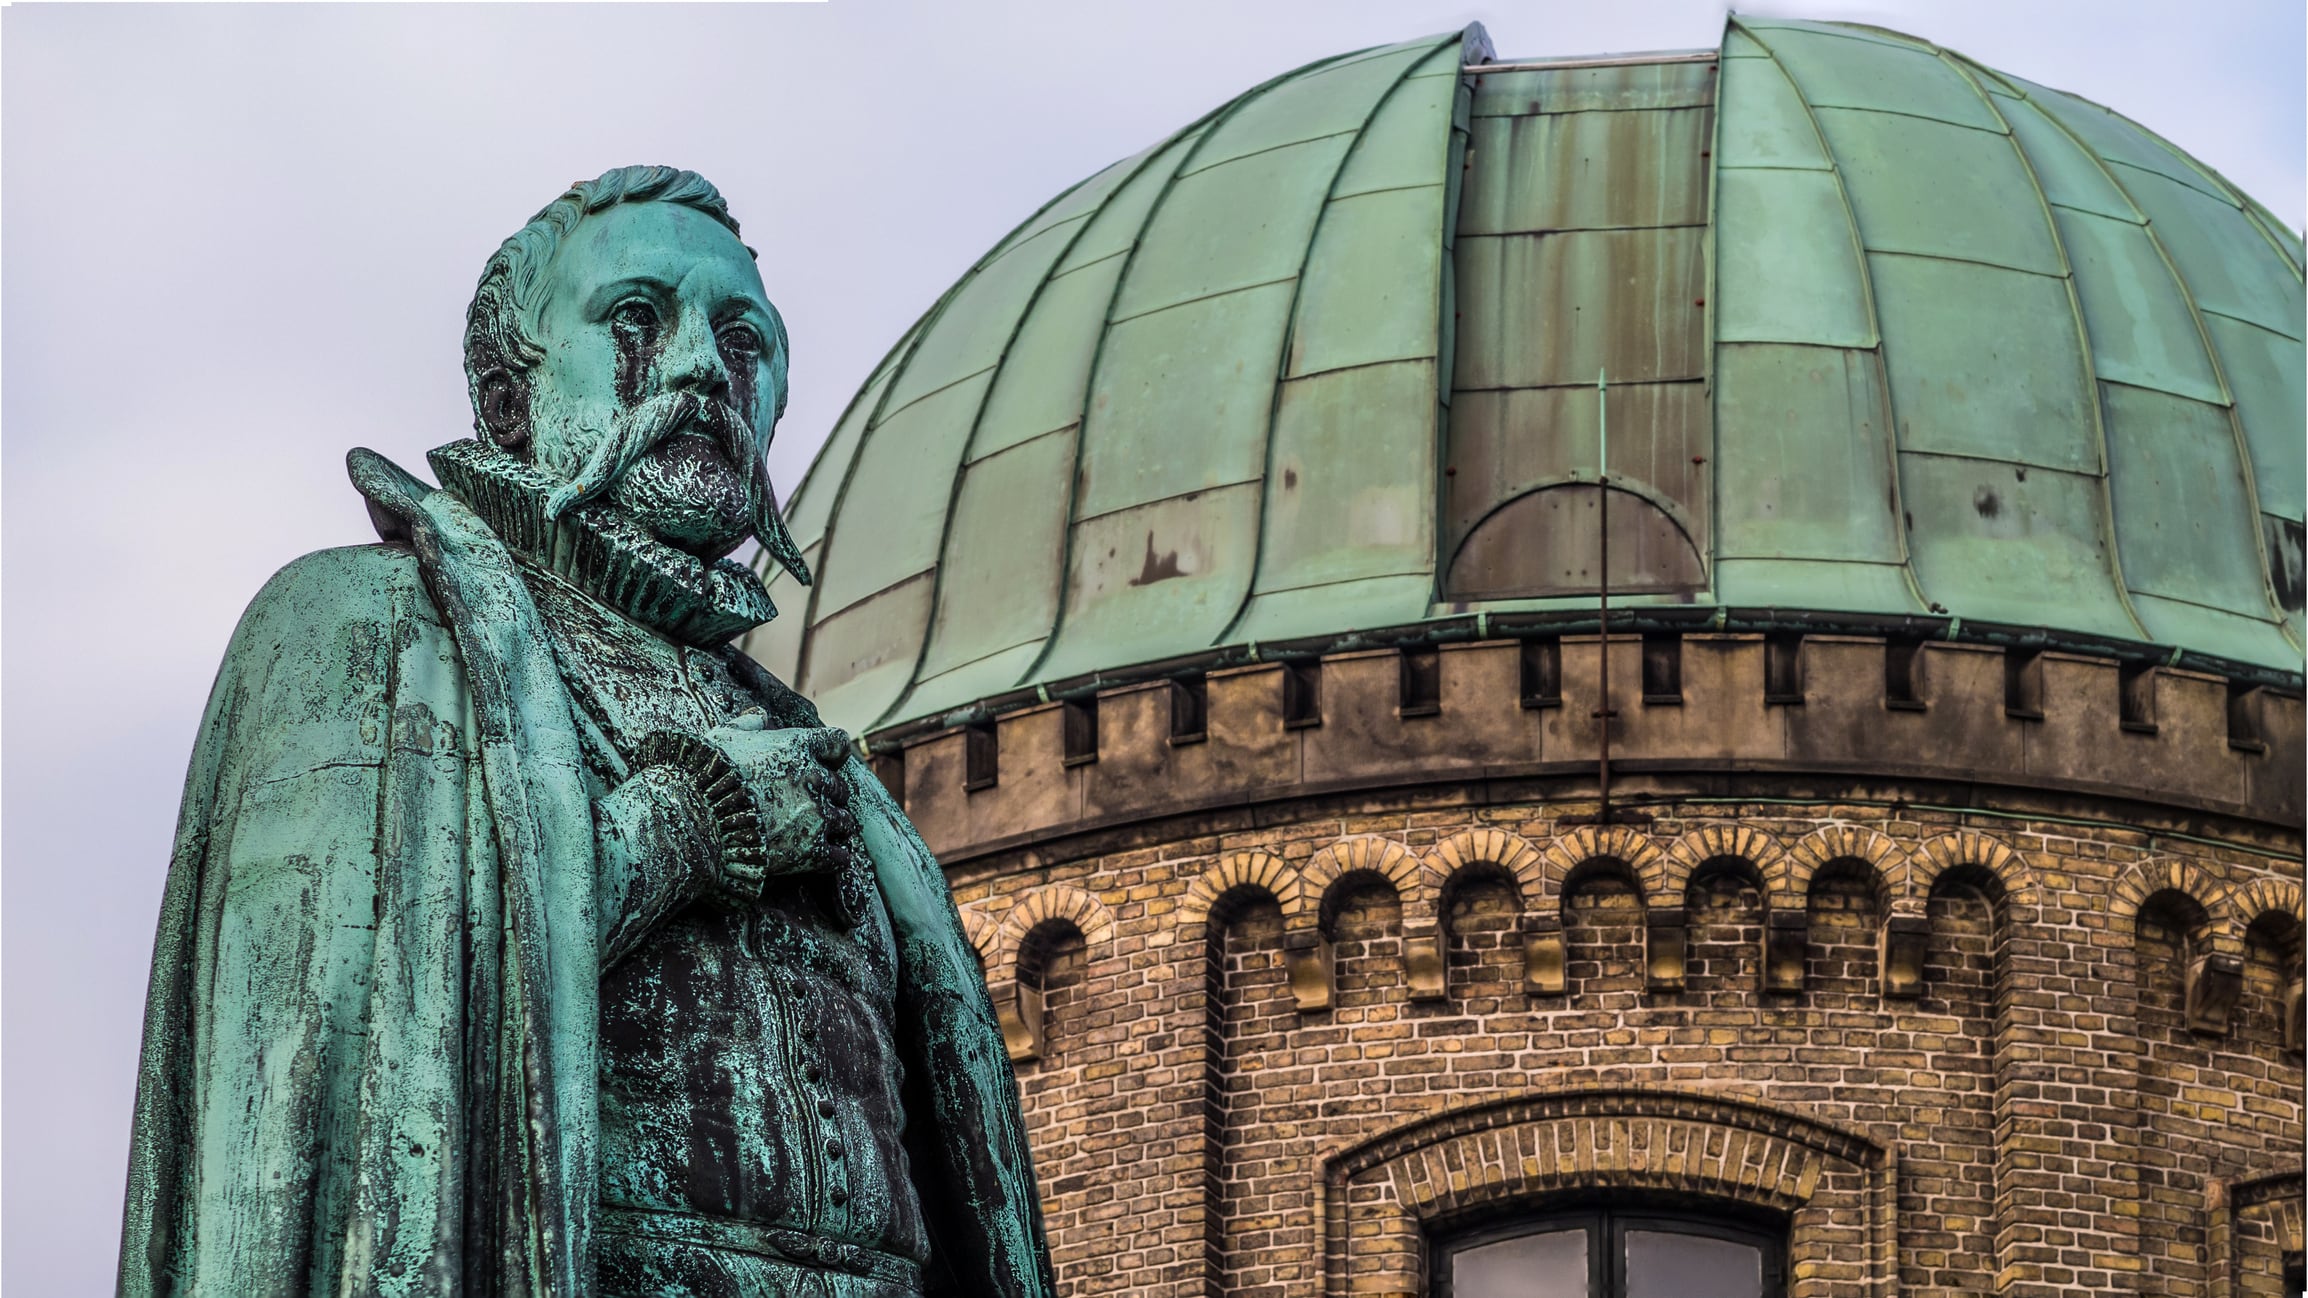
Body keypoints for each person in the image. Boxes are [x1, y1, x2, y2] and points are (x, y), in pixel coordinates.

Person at [118, 166, 1054, 1298]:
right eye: (638, 322)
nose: (705, 366)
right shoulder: (362, 632)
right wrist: (686, 821)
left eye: (744, 339)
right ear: (511, 399)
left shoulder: (813, 747)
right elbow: (364, 1022)